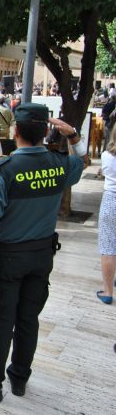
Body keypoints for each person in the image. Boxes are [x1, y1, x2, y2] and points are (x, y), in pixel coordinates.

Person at [0, 106, 86, 403]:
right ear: (45, 132)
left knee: (1, 322)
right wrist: (74, 135)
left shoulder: (5, 170)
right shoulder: (60, 163)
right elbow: (82, 160)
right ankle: (19, 377)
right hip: (42, 254)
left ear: (15, 132)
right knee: (29, 319)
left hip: (7, 259)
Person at [97, 128, 116, 304]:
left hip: (111, 200)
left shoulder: (106, 156)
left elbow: (104, 173)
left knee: (108, 246)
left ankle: (108, 291)